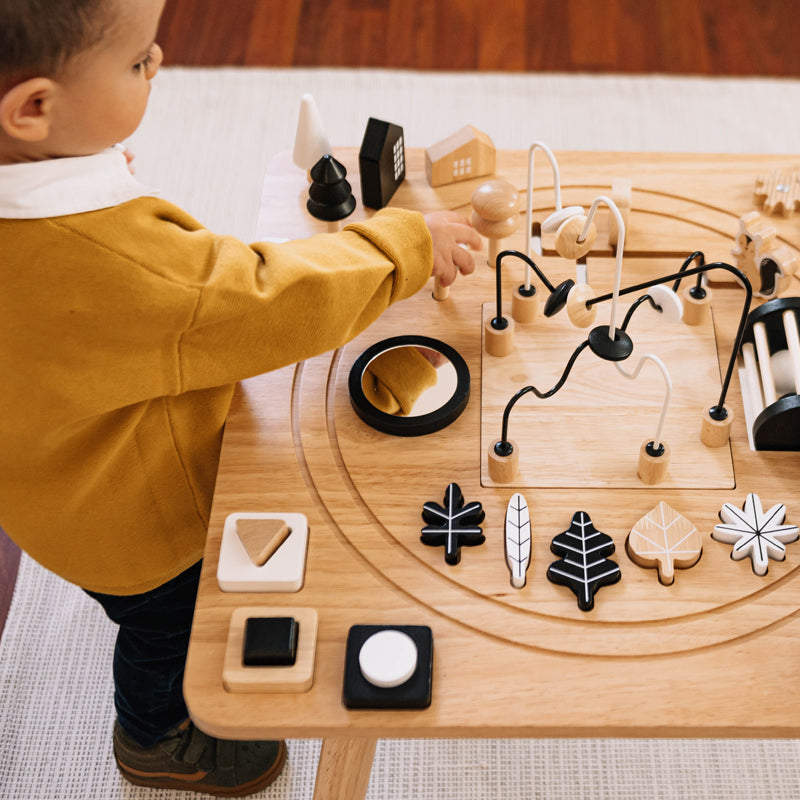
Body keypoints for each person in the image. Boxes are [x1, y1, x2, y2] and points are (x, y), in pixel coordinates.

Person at [0, 0, 481, 795]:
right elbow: (259, 300)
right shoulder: (123, 267)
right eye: (138, 63)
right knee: (166, 626)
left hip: (45, 480)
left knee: (135, 605)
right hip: (142, 525)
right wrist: (405, 243)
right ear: (35, 109)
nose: (159, 69)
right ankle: (158, 738)